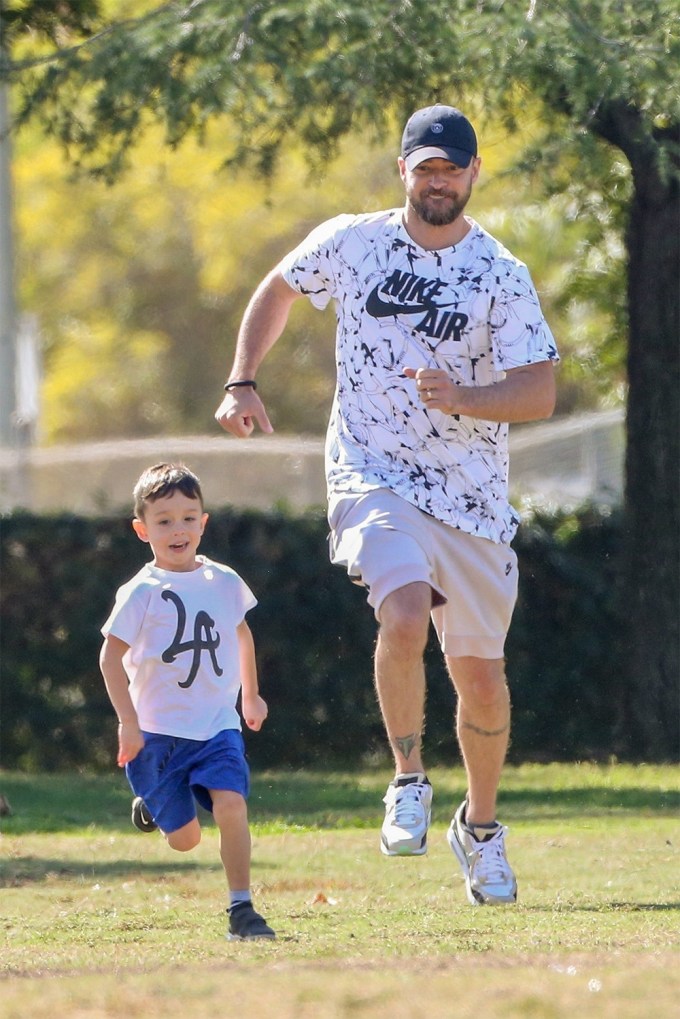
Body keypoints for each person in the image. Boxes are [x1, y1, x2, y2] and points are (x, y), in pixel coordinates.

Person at [215, 104, 559, 906]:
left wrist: (467, 396)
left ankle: (479, 829)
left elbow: (539, 391)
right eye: (424, 167)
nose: (437, 181)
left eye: (452, 168)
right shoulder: (354, 240)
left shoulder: (500, 273)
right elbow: (278, 288)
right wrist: (242, 378)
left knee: (480, 680)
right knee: (403, 612)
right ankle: (408, 776)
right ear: (401, 170)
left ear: (474, 173)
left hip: (472, 496)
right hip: (372, 470)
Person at [99, 462, 275, 940]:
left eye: (188, 517)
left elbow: (242, 636)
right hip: (157, 736)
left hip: (217, 726)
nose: (178, 529)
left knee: (232, 805)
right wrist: (127, 723)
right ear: (142, 529)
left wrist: (251, 697)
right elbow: (109, 659)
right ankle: (154, 806)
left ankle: (242, 909)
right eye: (164, 520)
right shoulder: (141, 592)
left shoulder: (224, 581)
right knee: (185, 840)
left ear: (204, 521)